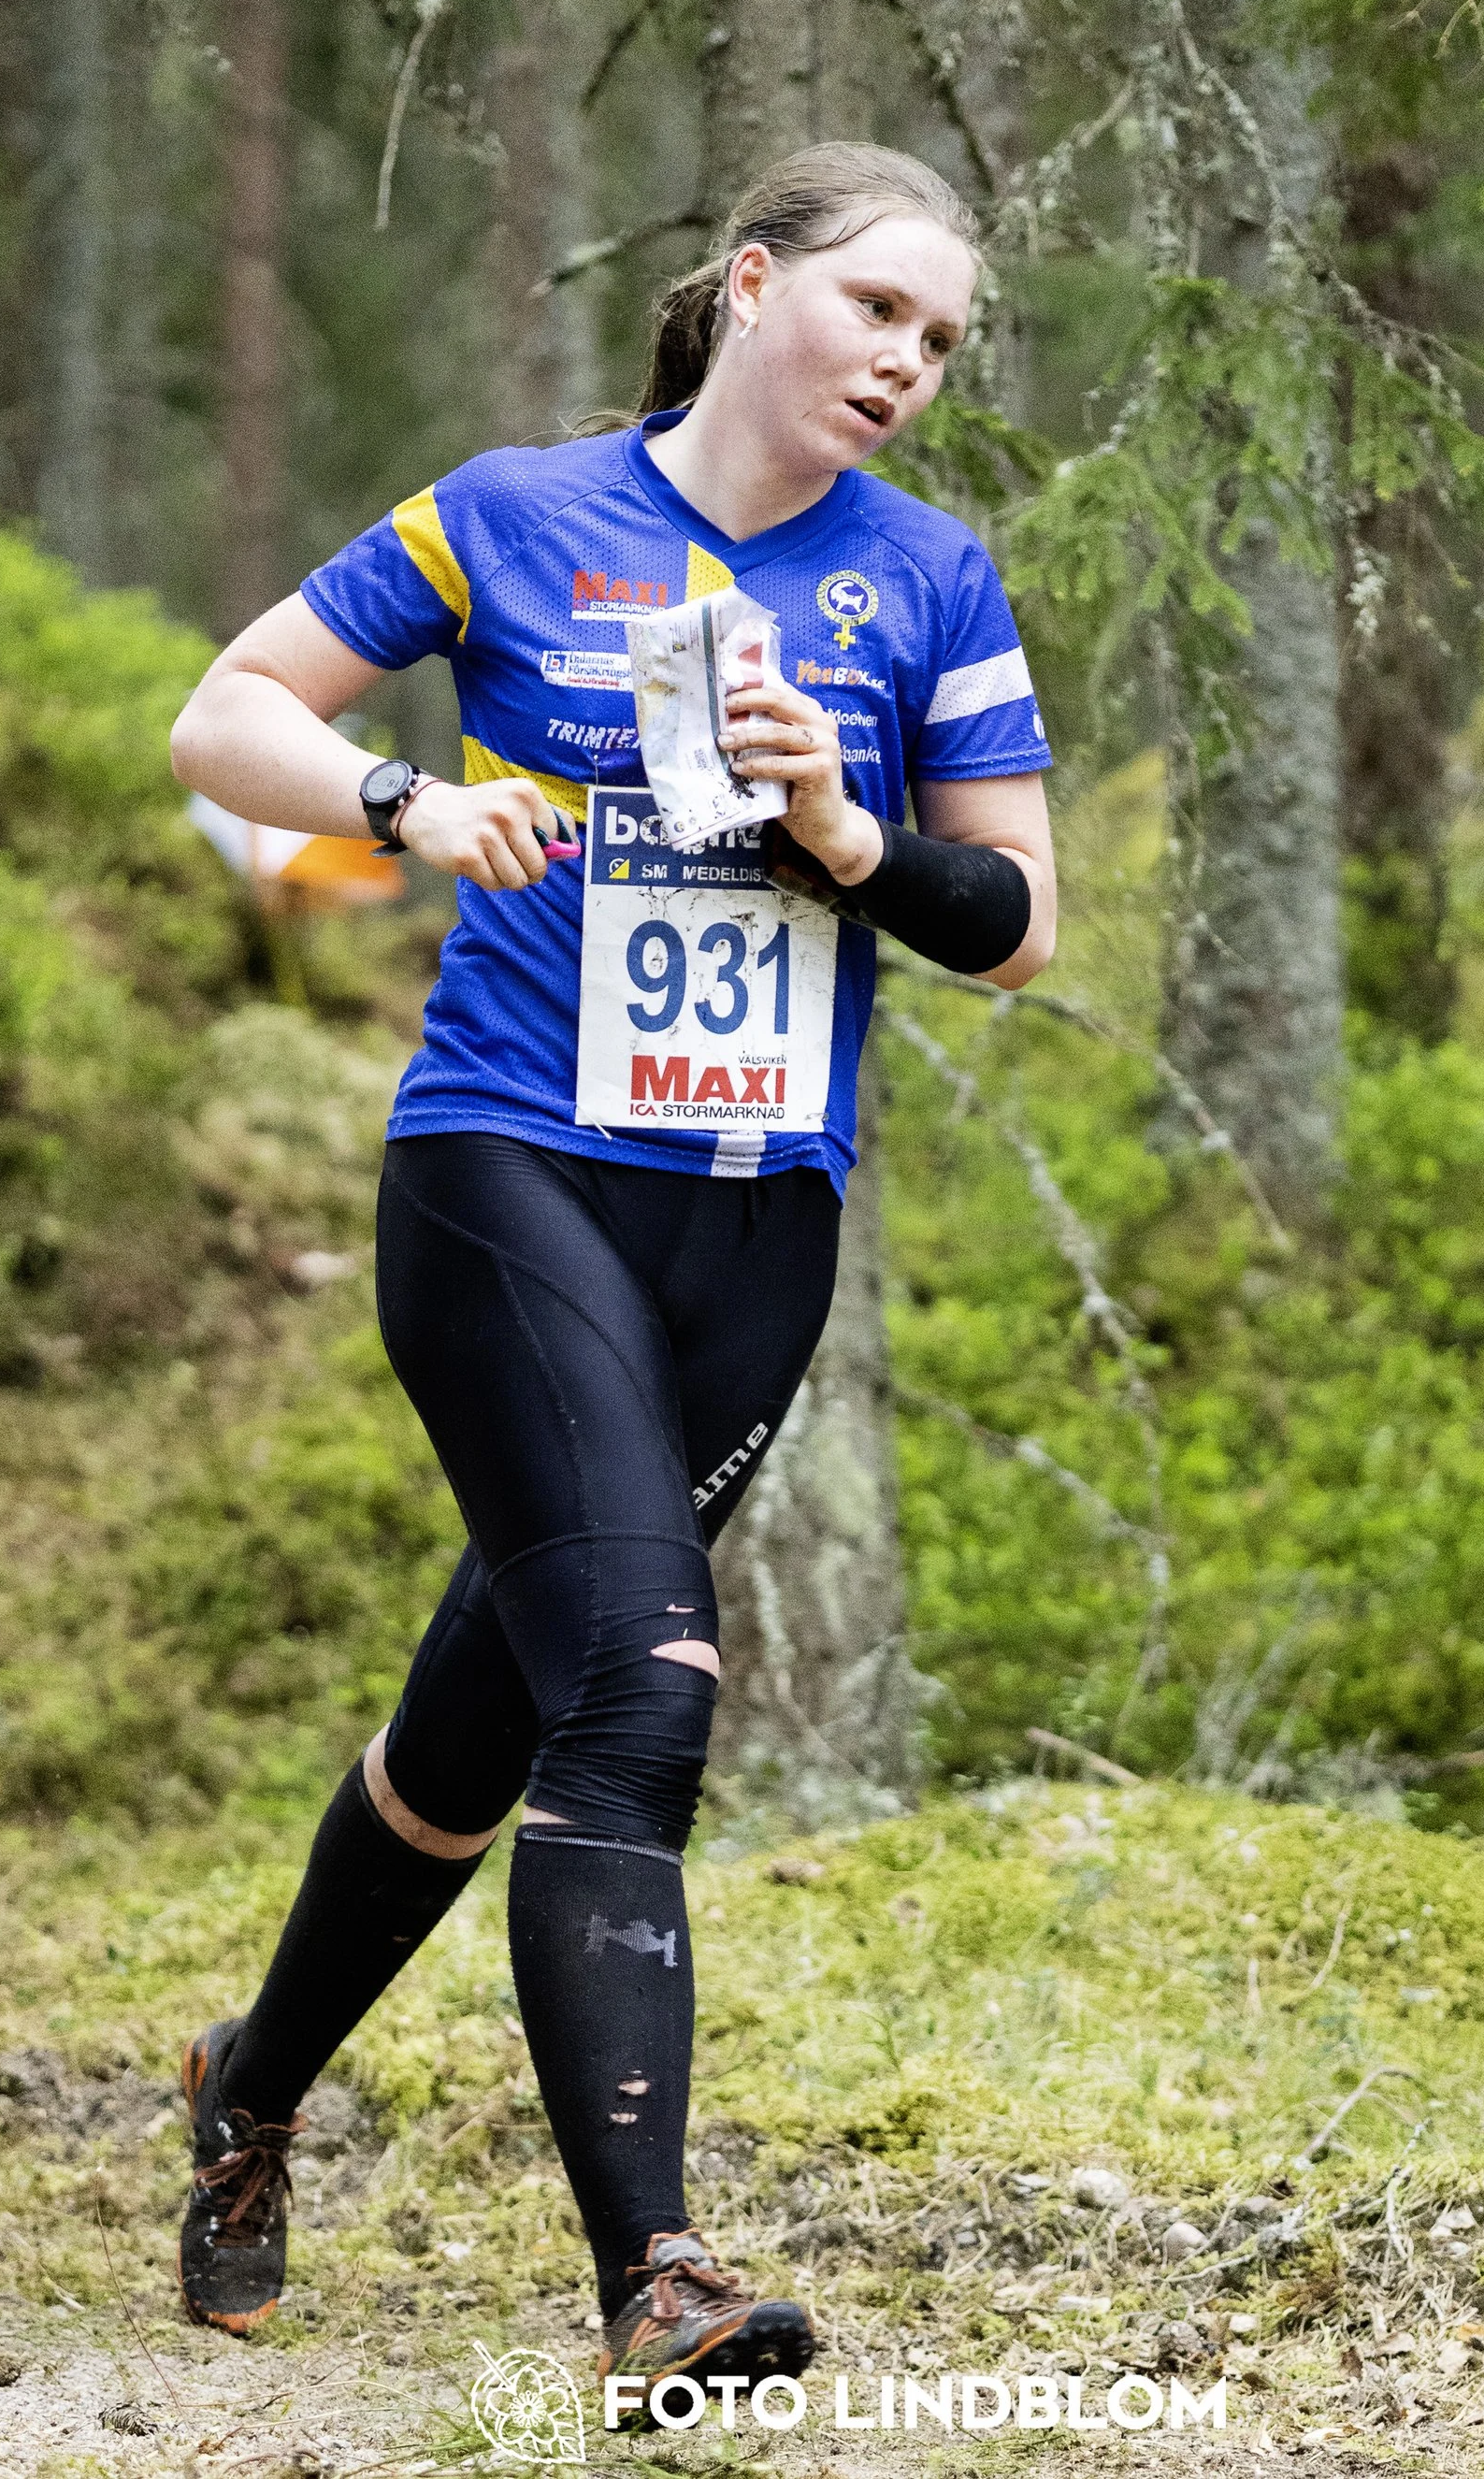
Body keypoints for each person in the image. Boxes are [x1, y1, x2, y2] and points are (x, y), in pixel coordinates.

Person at [163, 142, 1058, 2393]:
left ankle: (248, 2085)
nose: (903, 362)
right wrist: (398, 805)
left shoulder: (929, 581)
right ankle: (653, 2268)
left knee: (486, 1723)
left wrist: (850, 836)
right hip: (508, 1168)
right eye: (872, 309)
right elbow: (220, 714)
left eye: (939, 341)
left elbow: (1018, 928)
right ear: (751, 286)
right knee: (646, 1685)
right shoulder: (517, 510)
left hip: (754, 1224)